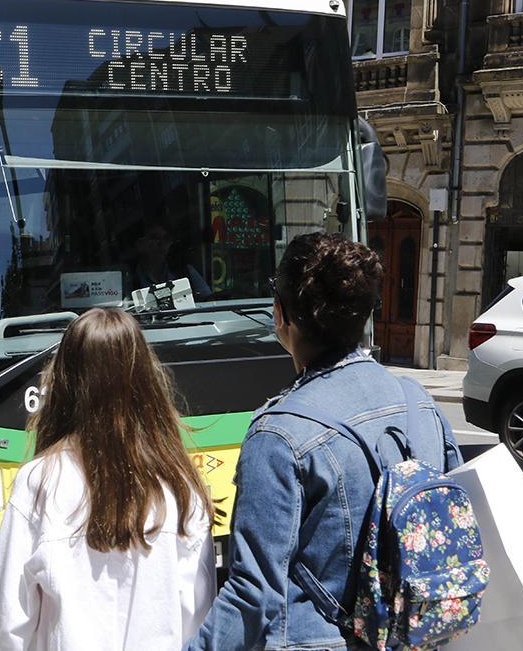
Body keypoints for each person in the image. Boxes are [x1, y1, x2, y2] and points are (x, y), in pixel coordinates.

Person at [186, 233, 462, 650]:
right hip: (415, 636)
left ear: (282, 317)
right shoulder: (418, 402)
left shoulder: (278, 433)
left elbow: (253, 593)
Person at [0, 307, 215, 651]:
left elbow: (5, 623)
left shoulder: (41, 483)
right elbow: (198, 616)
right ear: (146, 379)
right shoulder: (180, 485)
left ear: (64, 382)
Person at [131, 220, 212, 300]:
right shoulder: (130, 275)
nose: (161, 243)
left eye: (166, 238)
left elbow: (207, 299)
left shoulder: (185, 271)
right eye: (155, 238)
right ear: (141, 244)